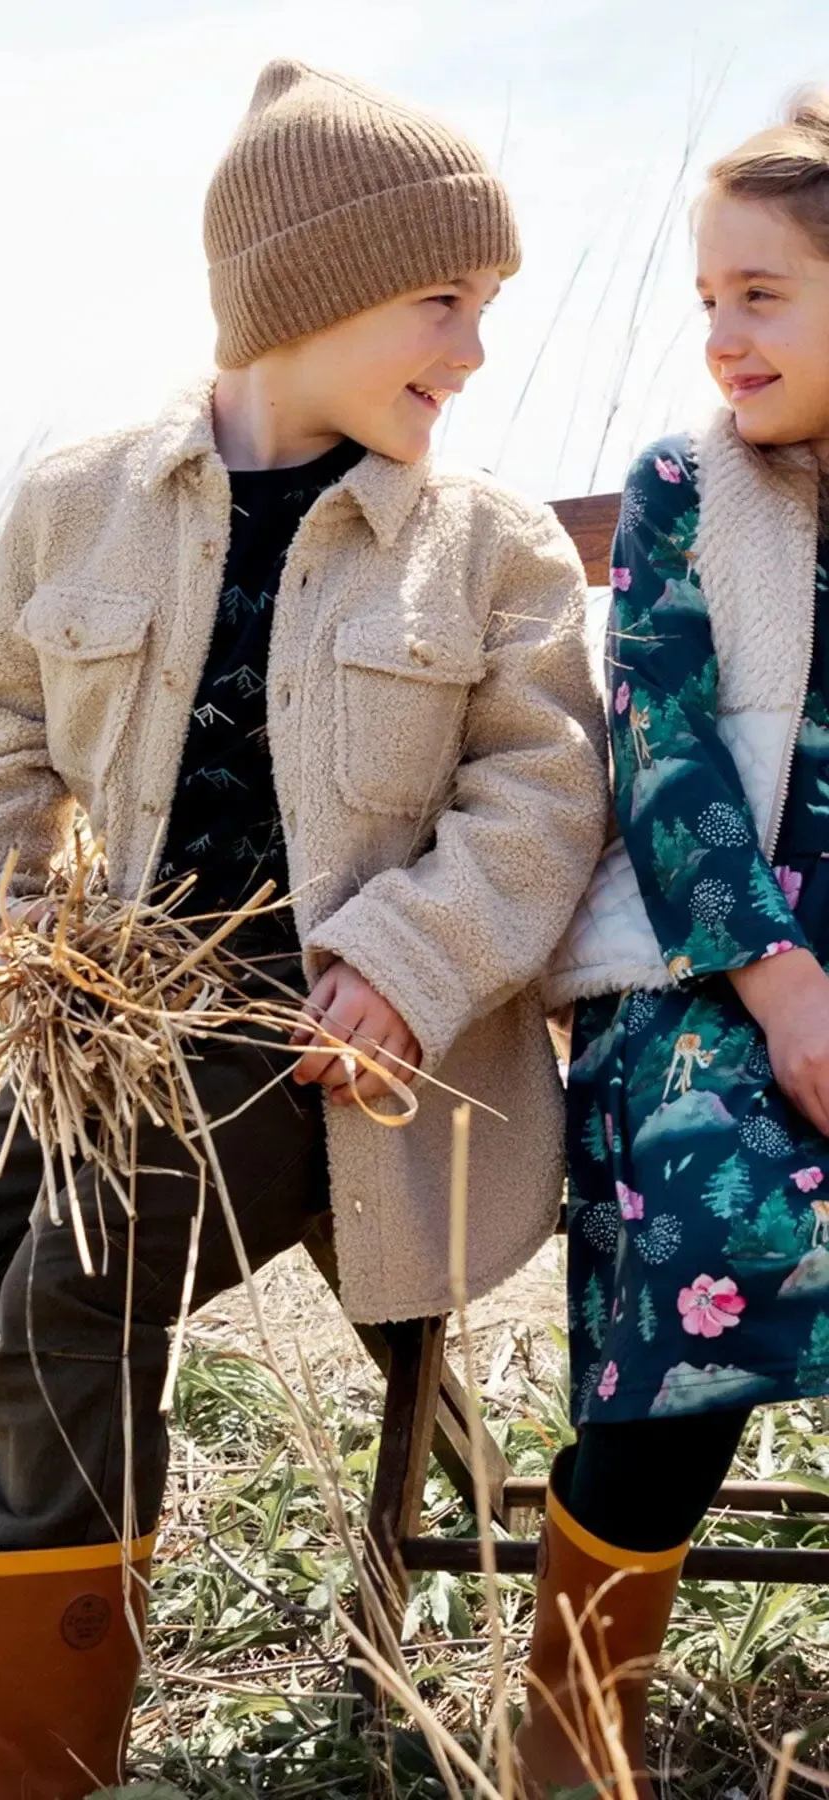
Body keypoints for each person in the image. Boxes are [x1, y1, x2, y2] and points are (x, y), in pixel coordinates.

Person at [0, 59, 606, 1798]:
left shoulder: (490, 550)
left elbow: (538, 802)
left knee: (73, 1288)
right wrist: (6, 923)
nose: (472, 351)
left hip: (339, 1059)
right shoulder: (86, 498)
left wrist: (400, 962)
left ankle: (35, 1752)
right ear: (305, 294)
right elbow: (5, 727)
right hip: (114, 1020)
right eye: (443, 302)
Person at [534, 92, 829, 1800]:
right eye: (707, 297)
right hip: (709, 967)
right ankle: (576, 1724)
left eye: (763, 293)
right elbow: (665, 755)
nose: (721, 334)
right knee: (721, 1211)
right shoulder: (683, 492)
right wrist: (782, 981)